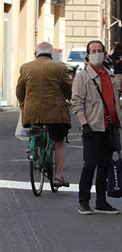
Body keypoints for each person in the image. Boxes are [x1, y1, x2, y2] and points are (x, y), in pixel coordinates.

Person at [71, 40, 122, 215]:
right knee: (90, 165)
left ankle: (101, 201)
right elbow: (76, 103)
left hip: (109, 127)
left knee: (104, 165)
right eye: (93, 50)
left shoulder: (109, 75)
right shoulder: (82, 76)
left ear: (105, 53)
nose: (97, 53)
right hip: (92, 127)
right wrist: (84, 124)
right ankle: (83, 202)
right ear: (88, 54)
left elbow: (114, 101)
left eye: (99, 50)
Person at [16, 42, 72, 187]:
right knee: (59, 142)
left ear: (36, 53)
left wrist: (23, 105)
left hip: (32, 112)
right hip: (55, 113)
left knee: (35, 126)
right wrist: (68, 99)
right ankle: (58, 177)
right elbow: (68, 88)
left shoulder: (26, 67)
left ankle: (34, 143)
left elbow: (20, 90)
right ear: (51, 53)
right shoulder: (59, 67)